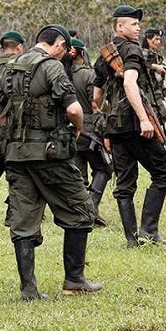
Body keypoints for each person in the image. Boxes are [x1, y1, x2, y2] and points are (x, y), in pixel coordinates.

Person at [0, 25, 101, 300]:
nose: (64, 54)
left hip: (16, 156)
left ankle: (28, 289)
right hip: (50, 154)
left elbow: (1, 117)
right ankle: (74, 280)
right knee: (81, 209)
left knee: (23, 220)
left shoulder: (10, 68)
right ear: (59, 44)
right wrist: (77, 129)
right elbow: (73, 108)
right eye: (64, 49)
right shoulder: (52, 67)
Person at [93, 5, 166, 247]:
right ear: (119, 26)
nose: (138, 28)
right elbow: (130, 84)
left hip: (115, 126)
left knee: (125, 181)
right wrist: (144, 118)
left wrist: (106, 126)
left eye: (139, 24)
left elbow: (96, 98)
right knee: (164, 174)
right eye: (133, 24)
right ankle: (148, 231)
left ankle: (131, 238)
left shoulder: (103, 56)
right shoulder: (132, 51)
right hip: (136, 125)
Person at [69, 38, 112, 227]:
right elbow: (96, 105)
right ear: (82, 53)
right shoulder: (88, 75)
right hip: (89, 130)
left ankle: (79, 212)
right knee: (103, 168)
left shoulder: (58, 73)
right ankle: (91, 208)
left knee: (78, 174)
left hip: (68, 130)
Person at [142, 28, 166, 124]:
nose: (159, 42)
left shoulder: (156, 56)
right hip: (147, 92)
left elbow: (157, 77)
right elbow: (140, 63)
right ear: (148, 39)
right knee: (159, 115)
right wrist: (154, 66)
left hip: (156, 91)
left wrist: (164, 90)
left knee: (161, 115)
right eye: (156, 39)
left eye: (159, 39)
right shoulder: (143, 53)